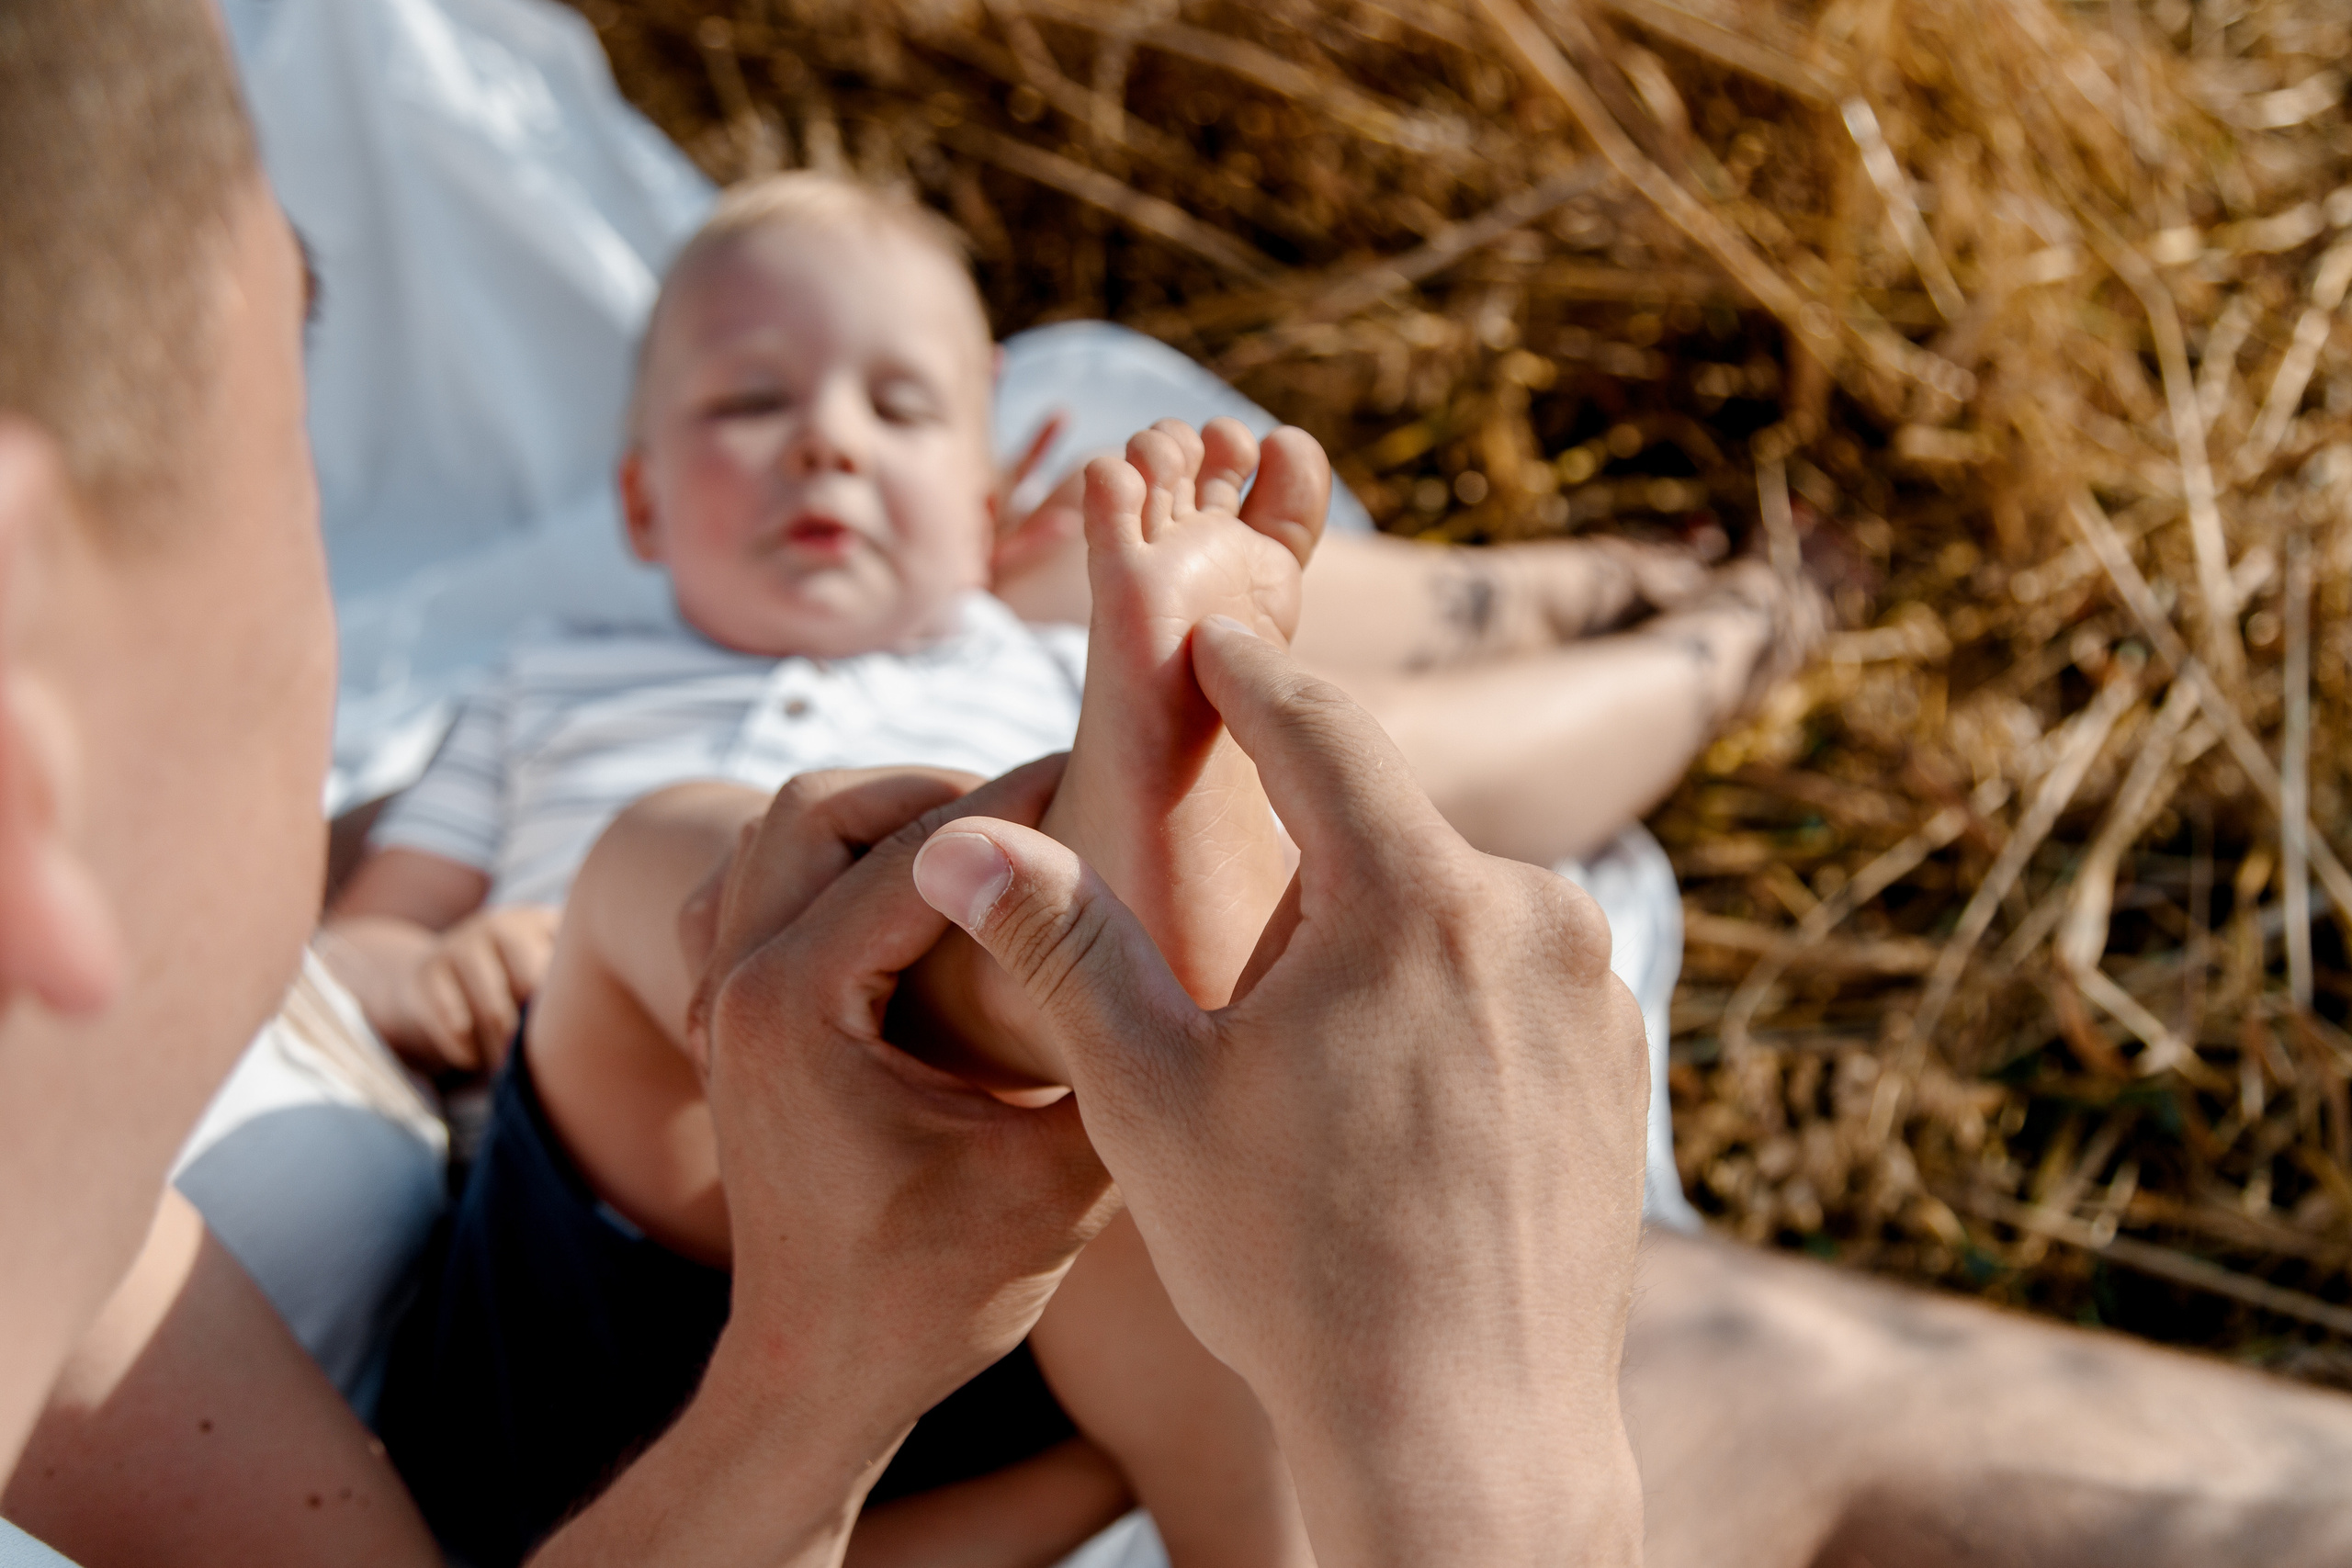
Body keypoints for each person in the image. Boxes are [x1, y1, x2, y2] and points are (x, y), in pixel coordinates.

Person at [0, 7, 1657, 1568]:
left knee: (1041, 1011)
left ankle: (1085, 939)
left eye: (899, 410)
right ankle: (1068, 933)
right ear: (641, 502)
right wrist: (455, 965)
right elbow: (372, 946)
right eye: (750, 405)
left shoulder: (1010, 656)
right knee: (669, 860)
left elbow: (1472, 756)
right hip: (651, 1236)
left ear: (986, 493)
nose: (826, 446)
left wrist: (1700, 642)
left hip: (1014, 1299)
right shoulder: (548, 686)